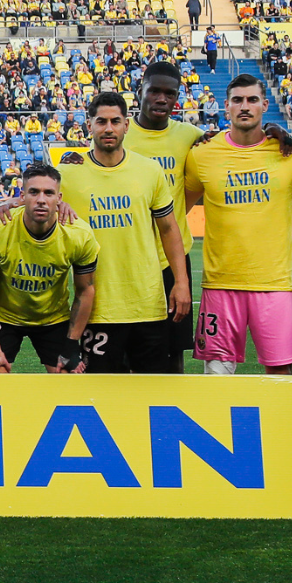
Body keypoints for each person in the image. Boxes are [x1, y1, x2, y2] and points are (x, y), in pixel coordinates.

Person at [52, 92, 191, 373]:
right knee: (100, 391)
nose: (108, 128)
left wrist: (181, 282)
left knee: (153, 390)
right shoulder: (67, 174)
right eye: (101, 121)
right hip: (97, 308)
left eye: (115, 121)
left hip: (148, 305)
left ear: (126, 125)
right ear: (89, 125)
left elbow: (168, 229)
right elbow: (35, 203)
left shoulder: (149, 170)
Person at [186, 73, 292, 376]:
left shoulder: (290, 152)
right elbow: (179, 208)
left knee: (280, 374)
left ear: (265, 105)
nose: (245, 106)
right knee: (217, 377)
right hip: (220, 284)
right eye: (238, 100)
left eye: (252, 100)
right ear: (225, 106)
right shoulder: (202, 154)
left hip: (274, 284)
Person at [0, 162, 97, 374]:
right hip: (5, 317)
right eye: (34, 192)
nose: (41, 200)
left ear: (59, 199)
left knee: (69, 377)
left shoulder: (79, 234)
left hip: (53, 318)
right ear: (22, 196)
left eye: (49, 193)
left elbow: (85, 290)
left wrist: (71, 345)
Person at [122, 61, 203, 372]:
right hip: (129, 259)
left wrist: (272, 132)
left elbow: (229, 145)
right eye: (154, 91)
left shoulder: (189, 135)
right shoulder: (120, 134)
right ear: (139, 91)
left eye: (170, 94)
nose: (161, 99)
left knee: (173, 352)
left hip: (173, 260)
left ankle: (173, 404)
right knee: (127, 352)